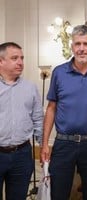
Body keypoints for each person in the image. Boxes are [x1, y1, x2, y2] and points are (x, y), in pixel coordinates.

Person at [40, 25, 87, 200]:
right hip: (64, 143)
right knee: (58, 193)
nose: (82, 48)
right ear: (72, 47)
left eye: (86, 44)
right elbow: (51, 108)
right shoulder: (59, 72)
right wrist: (45, 143)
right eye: (77, 44)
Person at [0, 42, 43, 200]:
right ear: (1, 61)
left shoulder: (30, 88)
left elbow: (38, 118)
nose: (20, 62)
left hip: (22, 155)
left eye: (22, 58)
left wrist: (43, 146)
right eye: (14, 58)